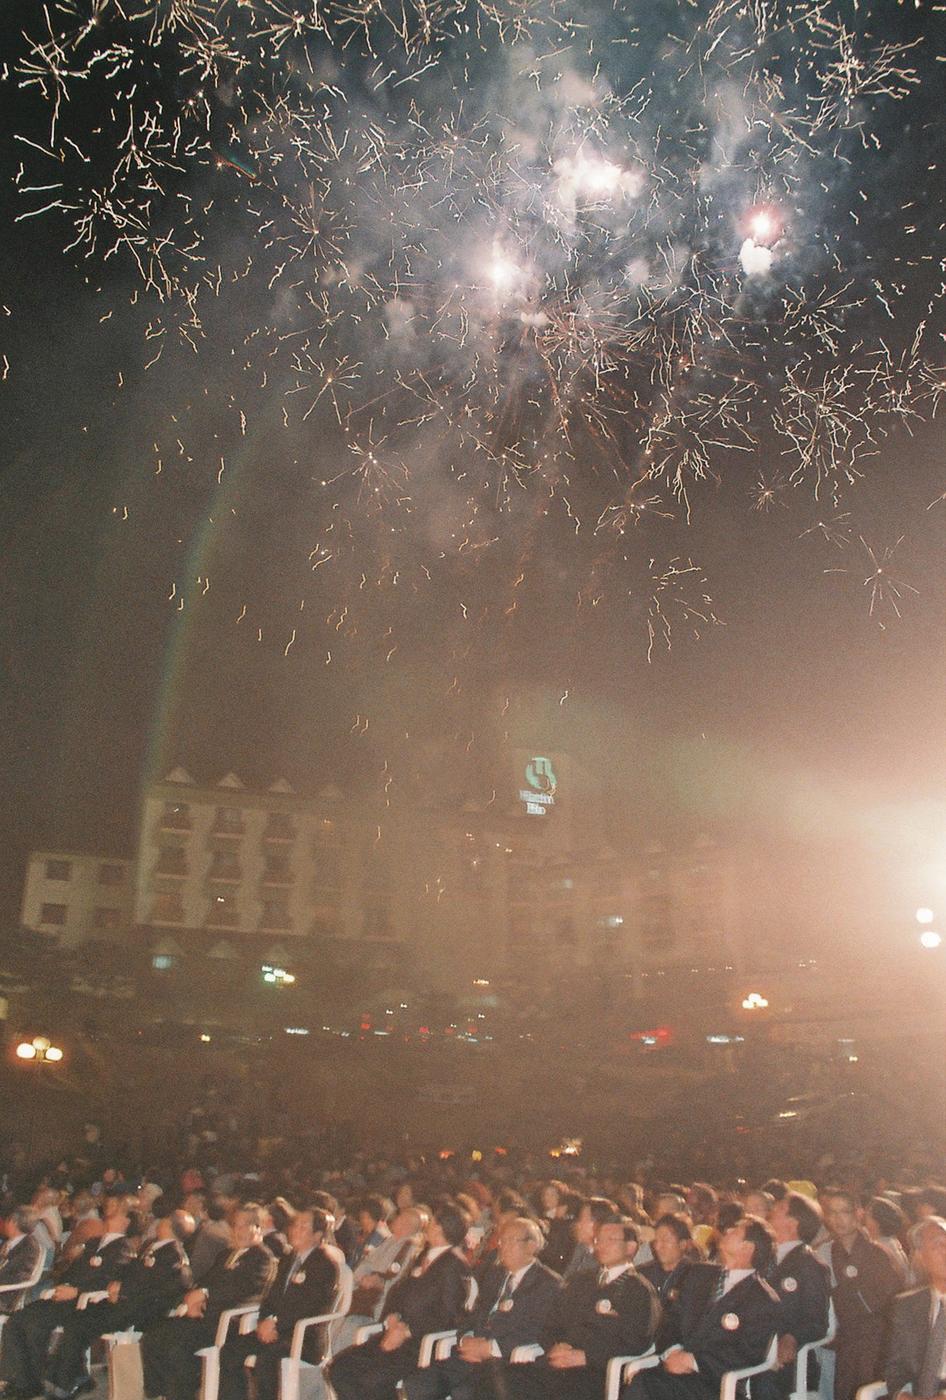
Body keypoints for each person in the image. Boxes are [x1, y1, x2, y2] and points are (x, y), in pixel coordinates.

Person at [402, 1216, 561, 1400]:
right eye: (501, 1241)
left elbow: (538, 1331)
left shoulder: (548, 1284)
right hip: (470, 1354)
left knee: (465, 1393)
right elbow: (473, 1314)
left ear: (532, 1246)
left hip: (504, 1363)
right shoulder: (495, 1275)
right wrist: (466, 1337)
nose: (503, 1247)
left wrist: (491, 1348)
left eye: (511, 1241)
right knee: (418, 1383)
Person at [501, 1215, 659, 1400]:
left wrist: (588, 1356)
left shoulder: (638, 1289)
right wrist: (554, 1345)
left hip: (596, 1370)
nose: (602, 1245)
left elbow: (636, 1340)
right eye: (599, 1240)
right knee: (504, 1378)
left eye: (611, 1240)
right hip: (559, 1362)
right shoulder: (580, 1281)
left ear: (631, 1247)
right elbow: (551, 1322)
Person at [327, 1199, 471, 1400]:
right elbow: (398, 1291)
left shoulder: (454, 1265)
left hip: (419, 1344)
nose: (428, 1225)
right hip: (395, 1332)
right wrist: (392, 1316)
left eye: (433, 1221)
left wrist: (407, 1330)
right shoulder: (425, 1255)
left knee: (371, 1381)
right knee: (340, 1369)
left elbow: (449, 1316)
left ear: (441, 1228)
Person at [623, 1216, 780, 1400]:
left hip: (716, 1384)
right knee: (644, 1380)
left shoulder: (762, 1299)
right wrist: (672, 1350)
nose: (727, 1231)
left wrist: (693, 1361)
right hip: (674, 1372)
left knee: (647, 1384)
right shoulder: (699, 1275)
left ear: (748, 1247)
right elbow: (671, 1320)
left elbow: (747, 1353)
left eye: (735, 1230)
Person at [46, 1209, 193, 1400]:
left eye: (164, 1220)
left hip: (140, 1310)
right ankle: (69, 1376)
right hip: (125, 1303)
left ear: (168, 1225)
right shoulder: (155, 1247)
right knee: (78, 1319)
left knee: (82, 1323)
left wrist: (123, 1291)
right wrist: (117, 1286)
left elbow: (163, 1286)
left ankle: (67, 1380)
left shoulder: (172, 1253)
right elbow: (135, 1274)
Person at [0, 1199, 138, 1400]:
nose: (108, 1217)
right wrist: (62, 1285)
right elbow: (72, 1271)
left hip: (88, 1302)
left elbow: (111, 1277)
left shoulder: (123, 1246)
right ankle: (22, 1380)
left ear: (126, 1222)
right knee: (19, 1320)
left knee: (43, 1325)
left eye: (116, 1214)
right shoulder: (93, 1243)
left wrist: (78, 1291)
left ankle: (46, 1381)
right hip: (67, 1296)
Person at [141, 1204, 276, 1400]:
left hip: (230, 1323)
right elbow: (204, 1281)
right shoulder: (226, 1255)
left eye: (245, 1226)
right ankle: (158, 1394)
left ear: (258, 1227)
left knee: (177, 1349)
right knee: (154, 1336)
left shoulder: (262, 1257)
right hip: (204, 1318)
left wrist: (205, 1295)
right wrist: (192, 1298)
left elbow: (241, 1289)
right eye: (236, 1226)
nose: (239, 1231)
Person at [218, 1206, 338, 1400]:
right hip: (275, 1330)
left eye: (303, 1226)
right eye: (295, 1225)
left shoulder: (324, 1265)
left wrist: (276, 1324)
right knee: (230, 1351)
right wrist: (265, 1320)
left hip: (301, 1336)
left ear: (317, 1235)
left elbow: (308, 1306)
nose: (295, 1230)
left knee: (267, 1360)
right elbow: (270, 1298)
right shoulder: (289, 1259)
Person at [822, 1187, 901, 1400]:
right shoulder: (825, 1253)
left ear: (858, 1214)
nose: (838, 1219)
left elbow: (892, 1304)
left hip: (876, 1344)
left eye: (844, 1212)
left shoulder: (877, 1254)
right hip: (845, 1343)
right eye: (832, 1212)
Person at [333, 1206, 426, 1352]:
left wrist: (376, 1281)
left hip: (374, 1306)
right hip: (358, 1296)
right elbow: (366, 1264)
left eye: (400, 1217)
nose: (395, 1219)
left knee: (347, 1335)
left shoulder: (409, 1247)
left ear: (406, 1223)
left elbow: (394, 1277)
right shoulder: (390, 1240)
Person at [765, 1191, 831, 1393]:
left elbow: (816, 1321)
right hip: (753, 1347)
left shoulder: (809, 1265)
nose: (773, 1209)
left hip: (786, 1361)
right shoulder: (763, 1258)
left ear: (793, 1223)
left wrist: (791, 1338)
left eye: (781, 1207)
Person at [886, 1215, 946, 1399]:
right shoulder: (907, 1305)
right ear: (920, 1256)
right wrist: (902, 1394)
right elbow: (894, 1368)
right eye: (937, 1245)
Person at [640, 1214, 718, 1354]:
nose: (658, 1246)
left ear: (683, 1244)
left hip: (672, 1346)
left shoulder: (696, 1276)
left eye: (666, 1240)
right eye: (656, 1241)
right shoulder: (643, 1272)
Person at [0, 1211, 43, 1315]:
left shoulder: (29, 1247)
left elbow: (20, 1276)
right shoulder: (12, 1241)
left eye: (6, 1221)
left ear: (13, 1222)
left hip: (6, 1295)